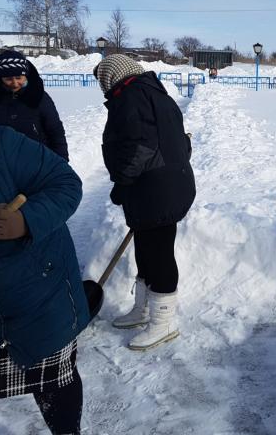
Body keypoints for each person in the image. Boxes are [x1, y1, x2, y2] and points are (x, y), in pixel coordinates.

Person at [0, 122, 90, 435]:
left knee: (57, 387)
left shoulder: (3, 146)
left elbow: (66, 183)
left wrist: (25, 220)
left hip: (40, 303)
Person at [94, 54, 195, 351]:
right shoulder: (155, 93)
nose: (103, 89)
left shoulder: (132, 97)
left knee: (159, 253)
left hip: (156, 188)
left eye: (103, 82)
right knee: (146, 250)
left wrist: (122, 183)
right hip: (162, 183)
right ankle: (144, 309)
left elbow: (137, 148)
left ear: (113, 77)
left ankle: (163, 322)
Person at [0, 50, 69, 160]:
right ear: (0, 79)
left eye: (18, 78)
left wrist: (62, 162)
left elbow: (55, 132)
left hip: (37, 162)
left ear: (26, 75)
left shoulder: (39, 97)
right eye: (8, 79)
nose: (15, 83)